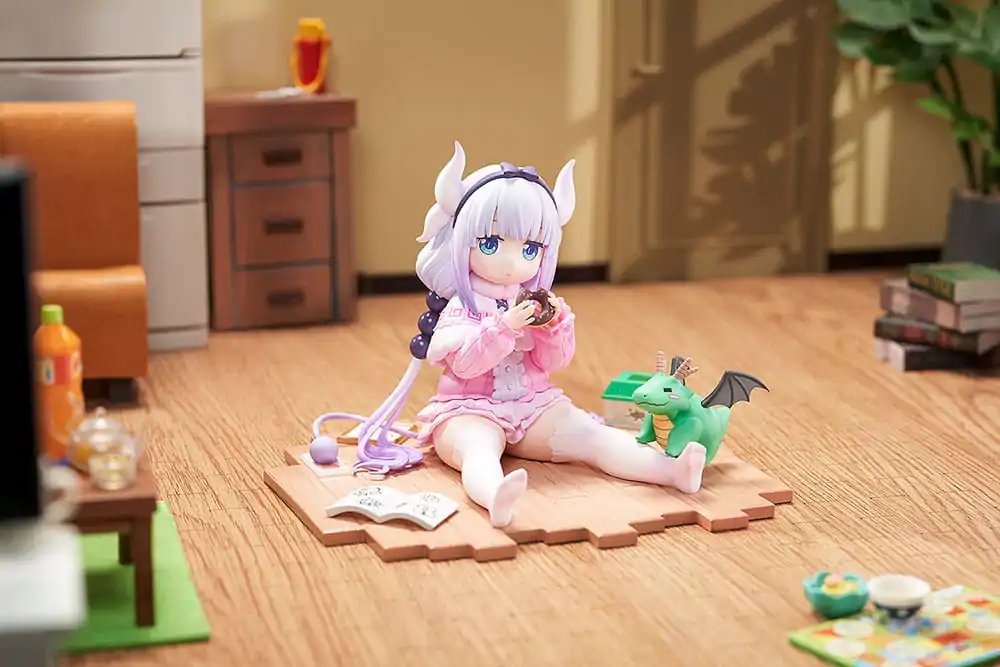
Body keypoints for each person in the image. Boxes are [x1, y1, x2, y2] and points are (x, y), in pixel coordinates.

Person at [311, 142, 706, 528]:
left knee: (592, 436)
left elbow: (554, 362)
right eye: (490, 244)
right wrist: (505, 327)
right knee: (477, 450)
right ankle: (494, 495)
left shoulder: (532, 300)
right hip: (467, 409)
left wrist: (555, 325)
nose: (512, 262)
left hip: (533, 405)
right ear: (463, 242)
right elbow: (465, 366)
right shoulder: (461, 307)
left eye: (530, 249)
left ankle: (672, 471)